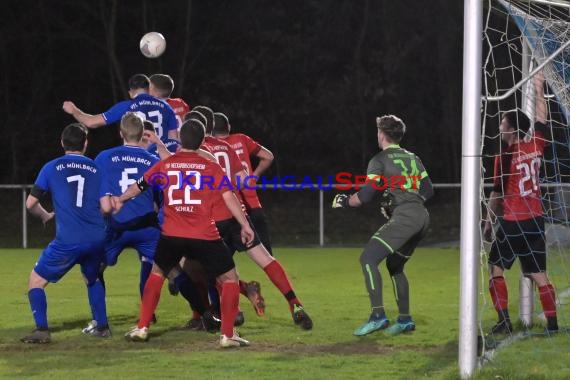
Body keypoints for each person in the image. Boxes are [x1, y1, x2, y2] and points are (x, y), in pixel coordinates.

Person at [117, 119, 254, 348]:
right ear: (202, 141)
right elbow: (229, 197)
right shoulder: (210, 167)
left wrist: (119, 200)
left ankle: (142, 327)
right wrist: (245, 225)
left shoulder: (167, 164)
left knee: (158, 272)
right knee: (230, 279)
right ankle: (228, 335)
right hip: (204, 233)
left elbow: (139, 185)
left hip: (172, 234)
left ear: (180, 139)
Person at [332, 115, 433, 336]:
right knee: (395, 266)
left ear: (381, 134)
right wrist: (405, 201)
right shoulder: (413, 157)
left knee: (368, 259)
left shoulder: (379, 160)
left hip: (406, 218)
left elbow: (366, 195)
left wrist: (344, 201)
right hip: (422, 217)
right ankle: (405, 320)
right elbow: (428, 189)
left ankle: (378, 316)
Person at [21, 123, 110, 343]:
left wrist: (44, 215)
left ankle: (42, 330)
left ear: (62, 143)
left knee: (36, 281)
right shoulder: (97, 168)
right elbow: (106, 207)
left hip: (68, 240)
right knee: (93, 278)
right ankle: (102, 326)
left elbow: (30, 203)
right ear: (86, 144)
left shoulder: (51, 167)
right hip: (97, 237)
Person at [483, 71, 558, 335]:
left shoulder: (503, 157)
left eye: (503, 124)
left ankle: (504, 320)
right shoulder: (536, 145)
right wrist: (539, 89)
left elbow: (496, 195)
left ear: (512, 130)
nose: (500, 128)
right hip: (536, 220)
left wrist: (487, 223)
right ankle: (552, 324)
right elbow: (542, 119)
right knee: (539, 275)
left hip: (513, 222)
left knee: (495, 270)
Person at [83, 113, 160, 331]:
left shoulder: (105, 157)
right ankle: (203, 314)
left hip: (115, 226)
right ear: (142, 134)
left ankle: (101, 325)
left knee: (93, 270)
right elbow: (161, 199)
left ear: (120, 133)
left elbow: (96, 191)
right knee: (167, 270)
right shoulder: (153, 160)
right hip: (146, 227)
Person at [213, 111, 275, 255]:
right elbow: (268, 157)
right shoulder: (241, 139)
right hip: (252, 205)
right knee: (267, 257)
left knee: (221, 262)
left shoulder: (208, 147)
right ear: (228, 126)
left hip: (226, 211)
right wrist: (254, 176)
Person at [62, 74, 178, 142]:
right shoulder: (167, 107)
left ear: (130, 93)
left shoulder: (126, 107)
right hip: (161, 164)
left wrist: (74, 110)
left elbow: (91, 122)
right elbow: (174, 140)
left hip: (138, 160)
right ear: (149, 89)